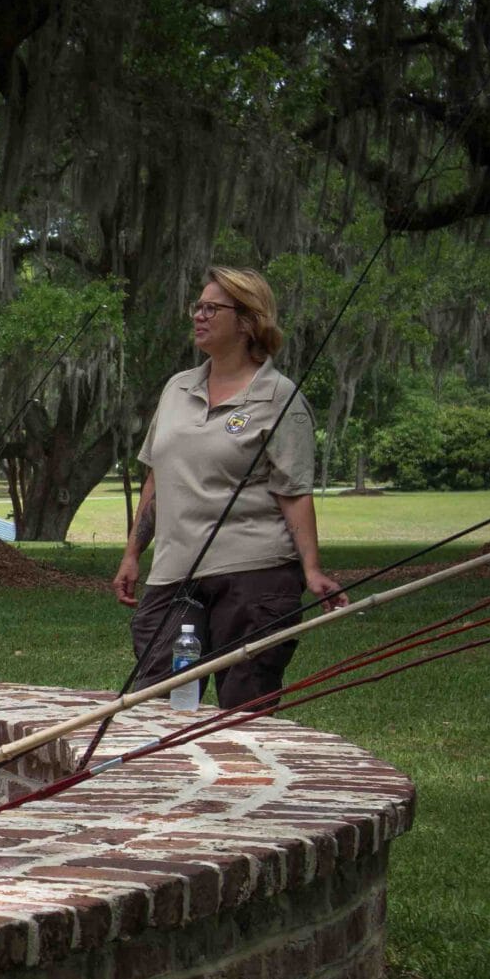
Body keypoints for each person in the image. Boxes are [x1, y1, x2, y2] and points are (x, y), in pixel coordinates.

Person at [113, 266, 347, 708]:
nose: (198, 316)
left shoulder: (280, 397)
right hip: (174, 572)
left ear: (246, 321)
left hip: (255, 574)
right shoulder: (176, 388)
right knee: (159, 703)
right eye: (197, 306)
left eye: (211, 308)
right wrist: (131, 555)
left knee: (244, 707)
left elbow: (293, 492)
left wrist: (312, 569)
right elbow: (157, 478)